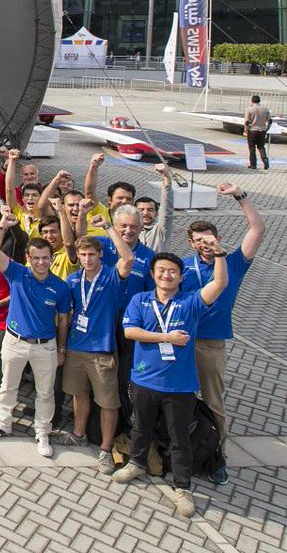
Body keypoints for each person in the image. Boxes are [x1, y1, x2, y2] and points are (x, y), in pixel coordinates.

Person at [112, 243, 229, 519]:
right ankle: (137, 464)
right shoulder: (140, 300)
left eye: (173, 271)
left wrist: (221, 255)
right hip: (143, 380)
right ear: (153, 274)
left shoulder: (189, 303)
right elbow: (130, 332)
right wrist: (167, 338)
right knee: (140, 427)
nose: (167, 275)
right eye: (162, 270)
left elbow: (220, 282)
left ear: (180, 277)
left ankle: (182, 486)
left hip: (180, 386)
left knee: (180, 438)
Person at [176, 182, 264, 485]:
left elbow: (258, 229)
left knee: (213, 402)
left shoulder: (234, 262)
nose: (204, 244)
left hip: (211, 345)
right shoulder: (183, 268)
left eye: (208, 239)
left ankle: (217, 456)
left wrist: (241, 196)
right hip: (180, 343)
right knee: (179, 400)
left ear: (218, 239)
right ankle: (181, 452)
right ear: (191, 244)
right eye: (198, 240)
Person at [0, 208, 73, 459]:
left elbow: (63, 321)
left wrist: (62, 349)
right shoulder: (17, 273)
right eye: (36, 258)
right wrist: (2, 224)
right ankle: (3, 423)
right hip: (14, 341)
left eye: (45, 258)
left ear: (51, 258)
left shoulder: (61, 288)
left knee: (45, 392)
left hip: (46, 346)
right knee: (7, 386)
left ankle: (42, 432)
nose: (41, 262)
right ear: (28, 258)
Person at [59, 220, 133, 474]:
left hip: (102, 350)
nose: (88, 259)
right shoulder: (72, 279)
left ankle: (105, 449)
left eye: (92, 254)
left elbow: (128, 258)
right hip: (76, 348)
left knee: (108, 402)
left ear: (101, 254)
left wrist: (109, 228)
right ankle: (79, 433)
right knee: (79, 395)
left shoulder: (112, 276)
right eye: (83, 255)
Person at [244, 94, 271, 170]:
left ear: (252, 100)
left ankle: (253, 165)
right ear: (259, 101)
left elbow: (246, 121)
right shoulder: (265, 109)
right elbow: (270, 121)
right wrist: (267, 129)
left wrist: (246, 129)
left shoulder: (249, 109)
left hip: (253, 130)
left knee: (252, 148)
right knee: (261, 146)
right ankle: (264, 159)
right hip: (262, 130)